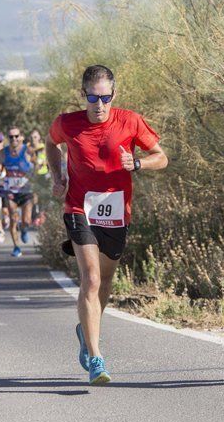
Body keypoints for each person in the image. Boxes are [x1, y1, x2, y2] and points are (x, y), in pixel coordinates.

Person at [46, 64, 167, 385]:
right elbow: (50, 144)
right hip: (78, 207)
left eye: (105, 98)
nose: (99, 106)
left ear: (114, 94)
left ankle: (86, 332)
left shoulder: (130, 121)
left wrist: (138, 163)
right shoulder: (67, 123)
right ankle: (97, 358)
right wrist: (58, 176)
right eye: (92, 98)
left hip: (115, 212)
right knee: (92, 278)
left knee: (107, 279)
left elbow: (161, 156)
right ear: (82, 95)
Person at [0, 127, 36, 258]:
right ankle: (16, 247)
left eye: (16, 136)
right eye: (11, 137)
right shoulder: (3, 153)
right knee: (14, 219)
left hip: (26, 190)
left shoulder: (28, 151)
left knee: (26, 220)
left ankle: (25, 229)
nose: (14, 139)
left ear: (21, 136)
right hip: (11, 192)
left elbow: (38, 166)